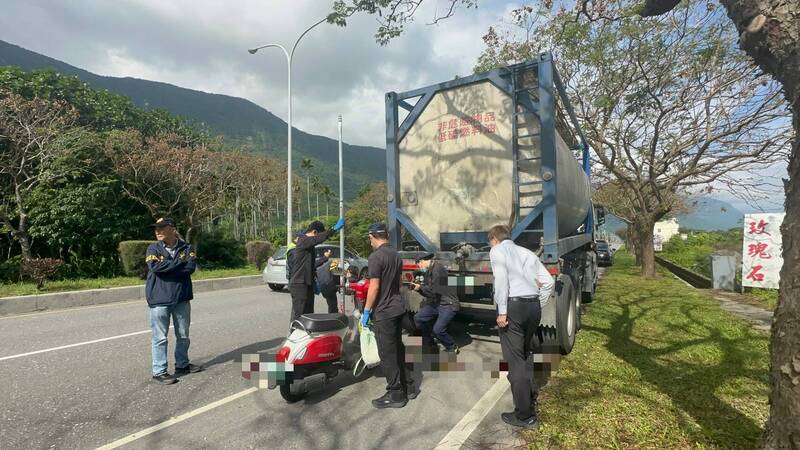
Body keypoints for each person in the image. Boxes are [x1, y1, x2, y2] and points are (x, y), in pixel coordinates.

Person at [487, 224, 554, 428]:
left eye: (489, 241)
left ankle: (525, 415)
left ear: (494, 239)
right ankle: (530, 394)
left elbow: (501, 280)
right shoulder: (527, 253)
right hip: (533, 306)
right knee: (524, 353)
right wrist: (537, 303)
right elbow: (549, 282)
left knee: (514, 361)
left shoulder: (497, 251)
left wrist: (502, 311)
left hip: (513, 308)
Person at [145, 218, 204, 385]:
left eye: (161, 228)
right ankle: (159, 371)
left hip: (181, 298)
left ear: (173, 228)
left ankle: (182, 365)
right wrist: (179, 263)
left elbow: (190, 268)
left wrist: (169, 265)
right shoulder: (152, 248)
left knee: (183, 335)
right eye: (155, 228)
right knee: (160, 338)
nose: (157, 231)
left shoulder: (187, 247)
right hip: (159, 299)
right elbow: (156, 268)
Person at [361, 223, 409, 408]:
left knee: (387, 354)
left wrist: (366, 311)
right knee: (398, 348)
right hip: (397, 307)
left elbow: (374, 286)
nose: (370, 241)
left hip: (384, 311)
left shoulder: (376, 256)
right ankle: (409, 386)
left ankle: (395, 394)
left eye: (370, 238)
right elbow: (397, 282)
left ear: (373, 236)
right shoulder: (395, 255)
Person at [288, 219, 344, 323]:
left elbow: (312, 266)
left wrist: (324, 258)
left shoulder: (309, 247)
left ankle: (306, 337)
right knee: (299, 315)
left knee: (309, 314)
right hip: (299, 284)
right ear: (314, 232)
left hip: (307, 284)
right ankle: (294, 335)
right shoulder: (303, 240)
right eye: (318, 235)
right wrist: (333, 230)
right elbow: (318, 239)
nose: (317, 239)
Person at [412, 253, 460, 354]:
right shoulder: (430, 270)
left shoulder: (438, 270)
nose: (419, 267)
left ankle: (452, 346)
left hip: (448, 304)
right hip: (437, 302)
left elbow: (434, 291)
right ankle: (429, 343)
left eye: (418, 265)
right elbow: (430, 293)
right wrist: (419, 288)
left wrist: (420, 288)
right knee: (418, 318)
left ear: (422, 261)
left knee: (438, 330)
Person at [315, 249, 340, 314]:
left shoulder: (318, 263)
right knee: (333, 305)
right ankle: (333, 319)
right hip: (329, 286)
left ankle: (332, 317)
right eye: (329, 252)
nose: (330, 253)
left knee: (331, 305)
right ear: (325, 253)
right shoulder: (333, 261)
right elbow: (336, 272)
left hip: (323, 286)